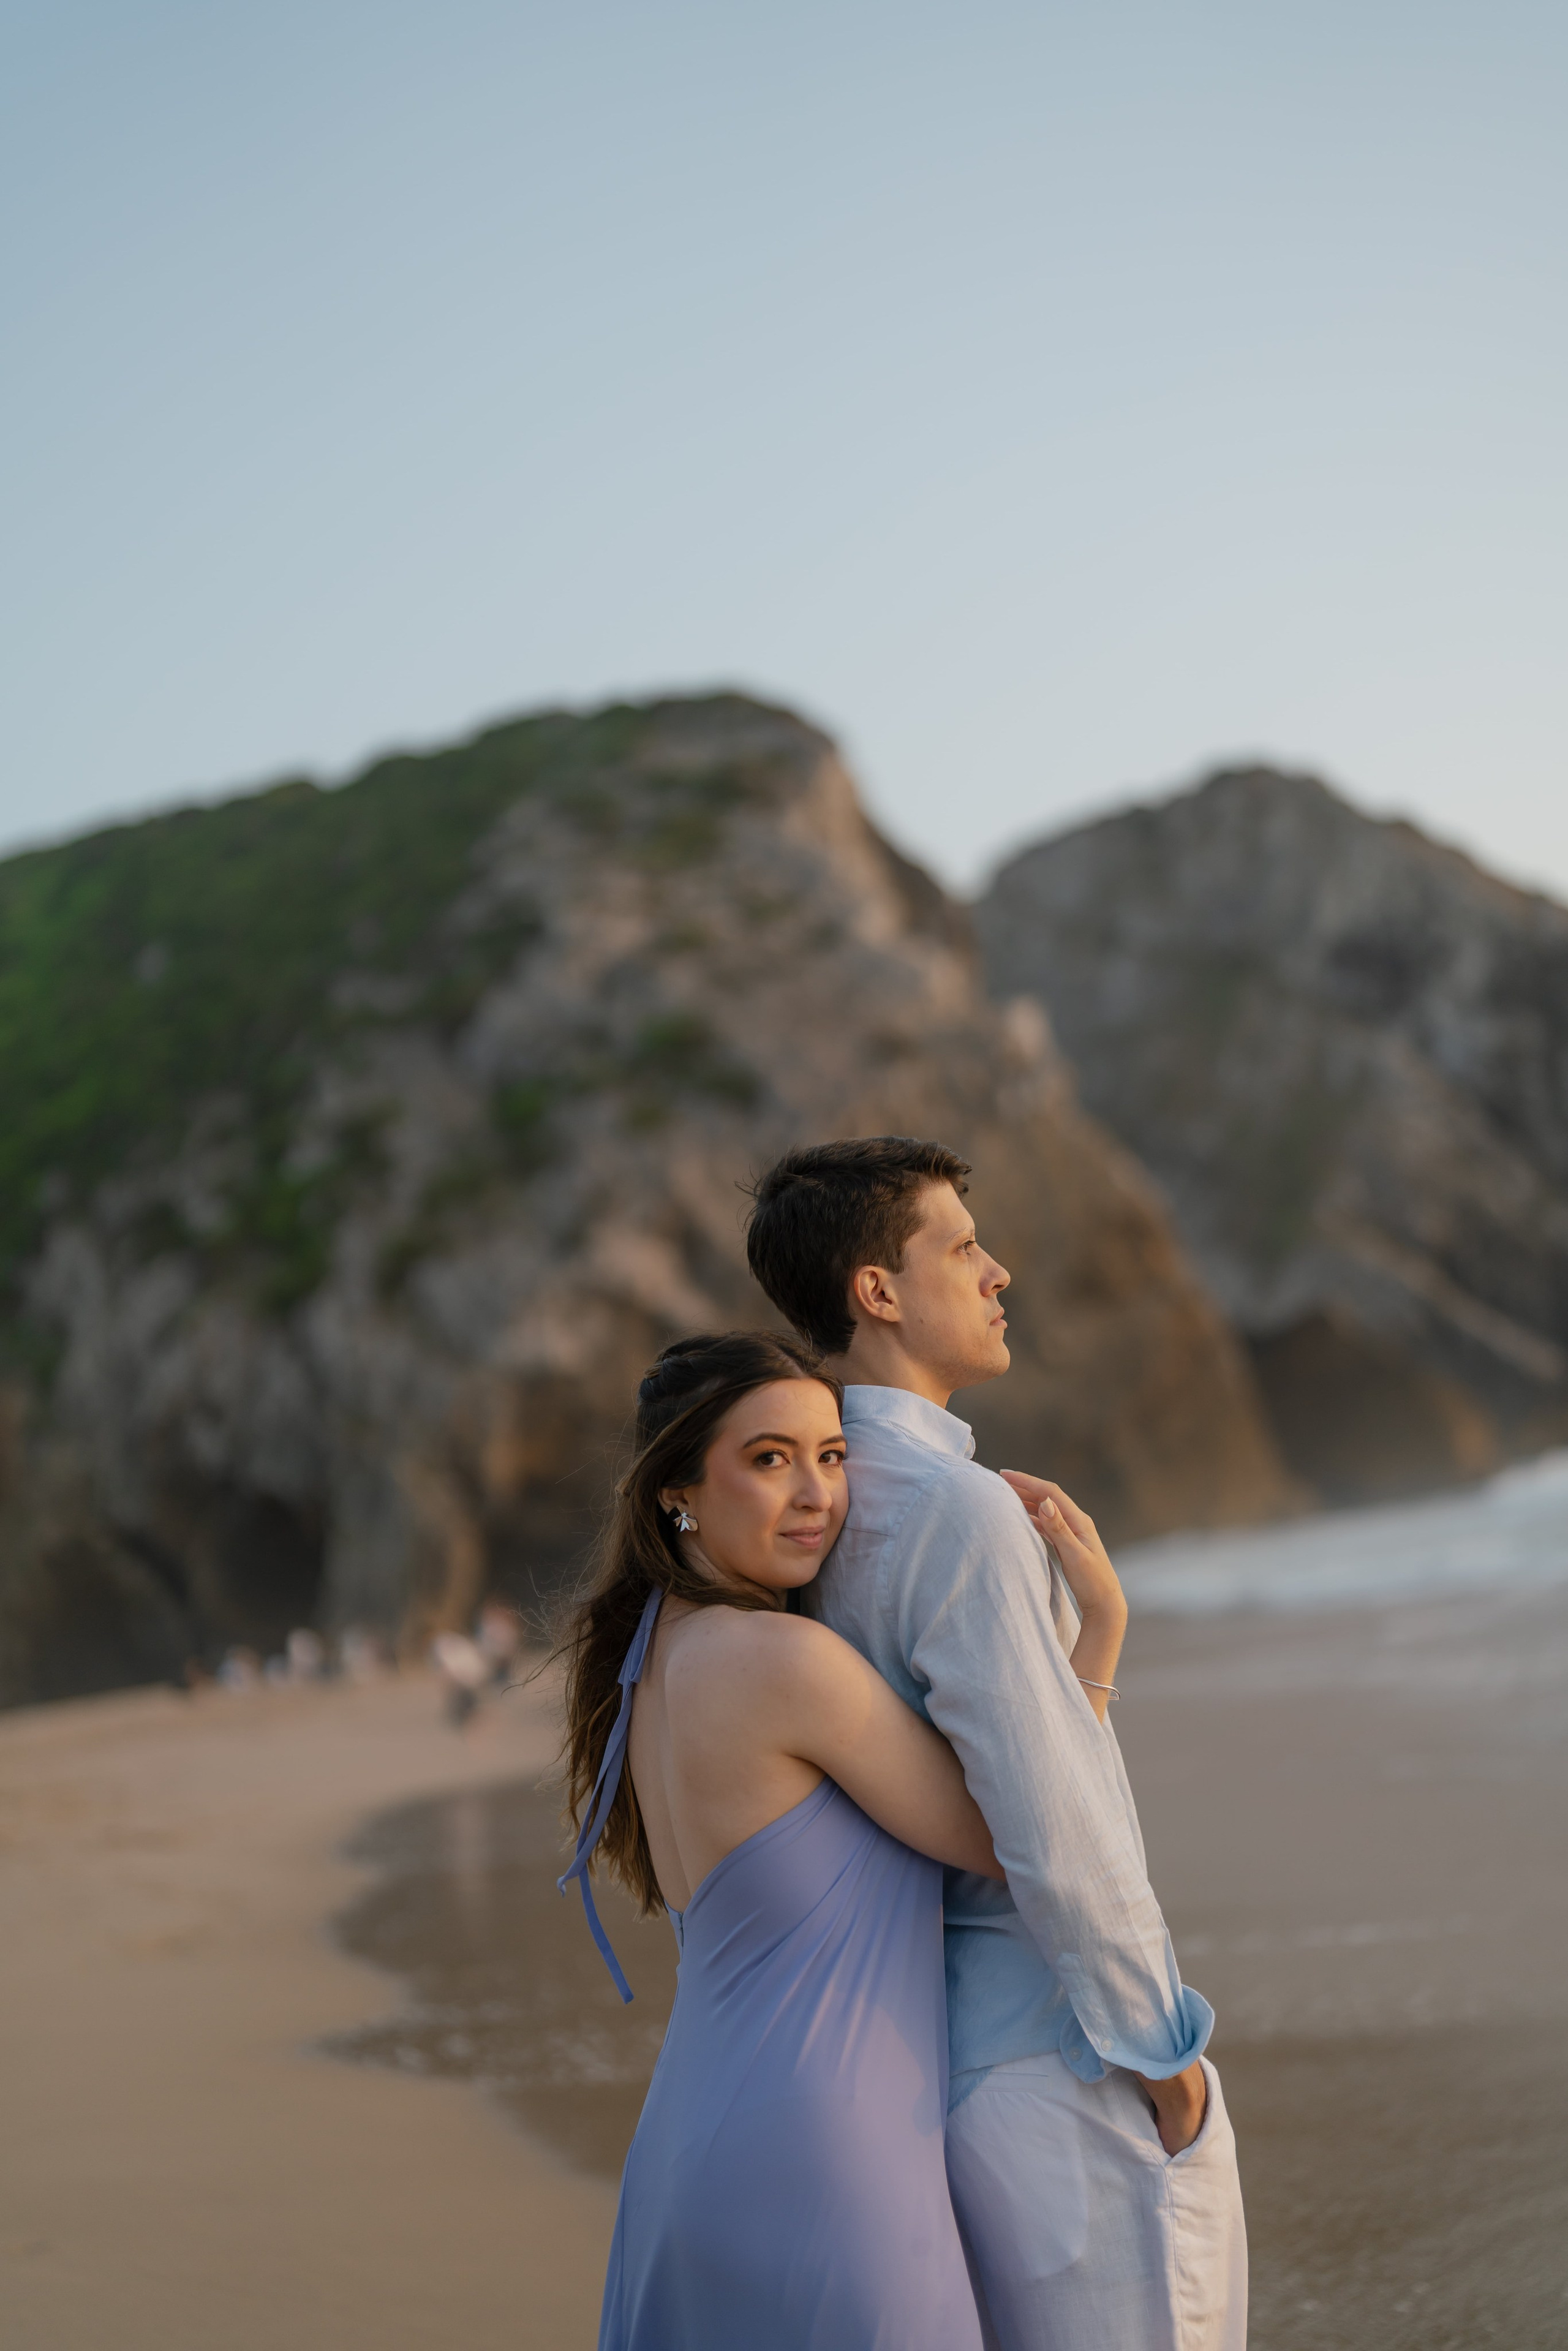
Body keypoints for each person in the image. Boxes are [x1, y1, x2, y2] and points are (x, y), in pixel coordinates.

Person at [746, 1138, 1248, 2351]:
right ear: (876, 1291)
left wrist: (1099, 1633)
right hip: (1067, 2065)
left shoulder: (819, 1514)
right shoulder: (955, 1511)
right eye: (962, 1246)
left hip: (945, 2063)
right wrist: (1162, 2058)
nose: (998, 1270)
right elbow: (1052, 1820)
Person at [559, 1329, 990, 2351]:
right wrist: (1094, 1643)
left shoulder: (649, 1664)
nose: (815, 1494)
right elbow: (1007, 1836)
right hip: (826, 2161)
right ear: (679, 1490)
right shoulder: (781, 1661)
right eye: (769, 1459)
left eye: (831, 1456)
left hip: (688, 2157)